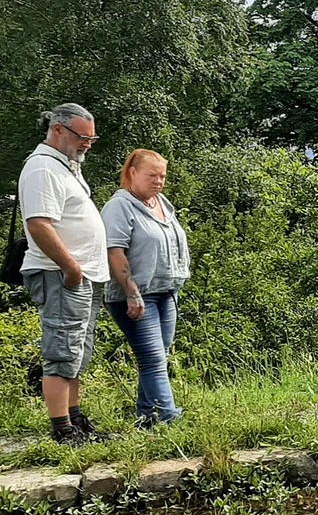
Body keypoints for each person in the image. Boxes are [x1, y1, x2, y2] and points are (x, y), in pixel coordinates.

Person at [17, 103, 109, 445]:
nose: (87, 143)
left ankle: (74, 417)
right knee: (61, 350)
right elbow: (39, 224)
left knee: (77, 350)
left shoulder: (66, 167)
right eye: (82, 136)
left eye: (91, 137)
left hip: (82, 277)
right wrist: (71, 268)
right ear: (58, 130)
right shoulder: (43, 168)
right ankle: (62, 429)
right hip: (61, 275)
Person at [102, 149, 190, 428]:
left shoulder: (161, 202)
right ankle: (170, 417)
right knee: (152, 358)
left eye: (162, 175)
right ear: (132, 173)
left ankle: (146, 416)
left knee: (158, 357)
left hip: (167, 292)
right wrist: (131, 292)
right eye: (152, 175)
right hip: (135, 296)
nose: (159, 181)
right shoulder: (119, 206)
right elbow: (114, 250)